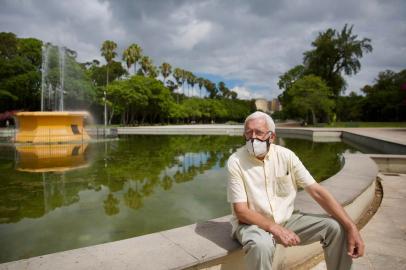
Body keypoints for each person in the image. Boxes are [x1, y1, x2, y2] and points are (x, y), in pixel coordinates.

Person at [227, 111, 364, 270]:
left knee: (335, 227)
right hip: (252, 224)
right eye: (248, 132)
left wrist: (351, 226)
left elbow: (317, 192)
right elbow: (241, 211)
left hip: (286, 219)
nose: (252, 138)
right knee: (261, 245)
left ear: (272, 136)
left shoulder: (286, 156)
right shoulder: (236, 161)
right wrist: (274, 228)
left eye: (258, 132)